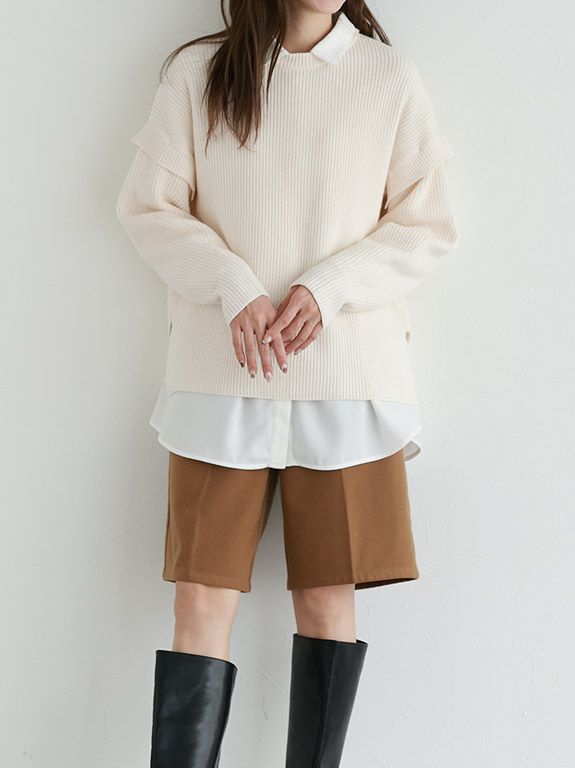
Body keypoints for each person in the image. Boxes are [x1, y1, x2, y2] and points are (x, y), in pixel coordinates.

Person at [115, 1, 459, 765]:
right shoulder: (200, 73)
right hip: (220, 379)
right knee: (200, 601)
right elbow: (148, 208)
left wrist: (329, 286)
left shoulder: (386, 76)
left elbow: (426, 222)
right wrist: (230, 283)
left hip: (347, 384)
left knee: (328, 601)